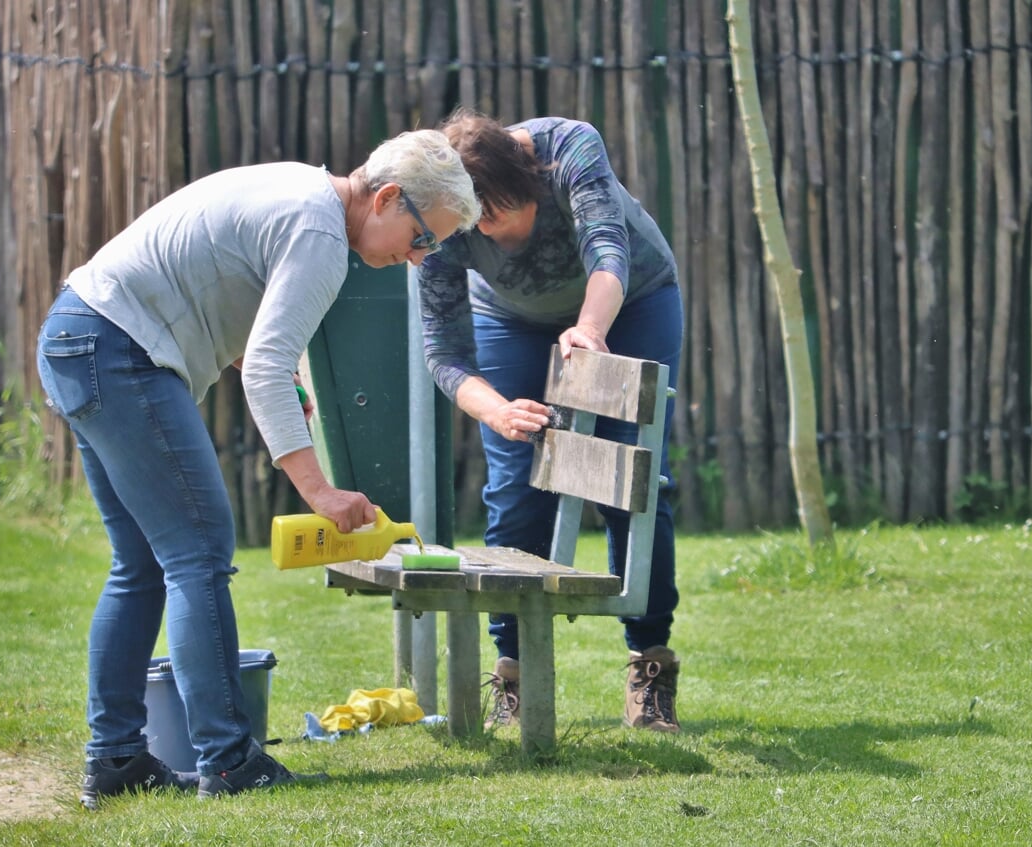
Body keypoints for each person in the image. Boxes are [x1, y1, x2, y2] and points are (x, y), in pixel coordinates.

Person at [36, 130, 480, 808]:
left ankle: (117, 756)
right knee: (197, 552)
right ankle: (226, 759)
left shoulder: (303, 191)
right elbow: (271, 368)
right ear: (387, 197)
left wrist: (251, 358)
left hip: (78, 333)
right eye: (421, 238)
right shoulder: (323, 236)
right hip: (117, 347)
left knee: (143, 561)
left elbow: (220, 285)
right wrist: (321, 491)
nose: (419, 260)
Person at [417, 108, 684, 733]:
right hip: (508, 321)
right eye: (476, 220)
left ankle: (651, 664)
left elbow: (607, 249)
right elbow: (444, 352)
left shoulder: (568, 149)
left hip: (629, 302)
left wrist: (590, 331)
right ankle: (514, 670)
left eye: (503, 213)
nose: (492, 231)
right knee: (516, 488)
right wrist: (496, 409)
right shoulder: (437, 218)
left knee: (633, 484)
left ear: (529, 177)